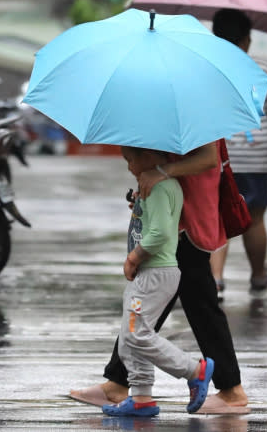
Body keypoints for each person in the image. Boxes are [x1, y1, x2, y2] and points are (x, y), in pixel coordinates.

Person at [70, 139, 249, 414]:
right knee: (148, 308)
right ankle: (120, 383)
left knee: (187, 306)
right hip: (179, 217)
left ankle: (225, 387)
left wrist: (162, 173)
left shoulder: (193, 106)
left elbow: (208, 158)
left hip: (191, 222)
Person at [100, 146, 214, 417]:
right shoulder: (155, 187)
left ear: (149, 156)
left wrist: (134, 258)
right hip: (149, 274)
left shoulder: (161, 187)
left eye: (130, 159)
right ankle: (141, 397)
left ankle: (193, 370)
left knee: (136, 332)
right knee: (130, 336)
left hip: (155, 273)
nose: (128, 167)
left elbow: (161, 232)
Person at [208, 9, 267, 298]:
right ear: (247, 39)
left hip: (217, 153)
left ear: (215, 36)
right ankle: (258, 275)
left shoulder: (207, 65)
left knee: (218, 217)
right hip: (259, 151)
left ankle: (215, 280)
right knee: (255, 218)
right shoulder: (262, 67)